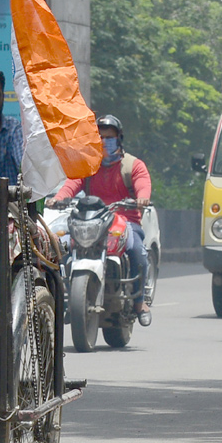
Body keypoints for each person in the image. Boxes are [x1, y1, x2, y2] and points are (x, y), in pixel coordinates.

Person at [53, 115, 154, 325]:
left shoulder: (133, 165)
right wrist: (59, 198)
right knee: (58, 244)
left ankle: (139, 303)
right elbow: (72, 183)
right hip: (90, 220)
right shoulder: (87, 165)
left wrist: (142, 197)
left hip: (125, 221)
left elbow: (142, 183)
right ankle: (63, 296)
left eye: (109, 137)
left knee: (137, 252)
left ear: (119, 139)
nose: (105, 141)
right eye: (100, 137)